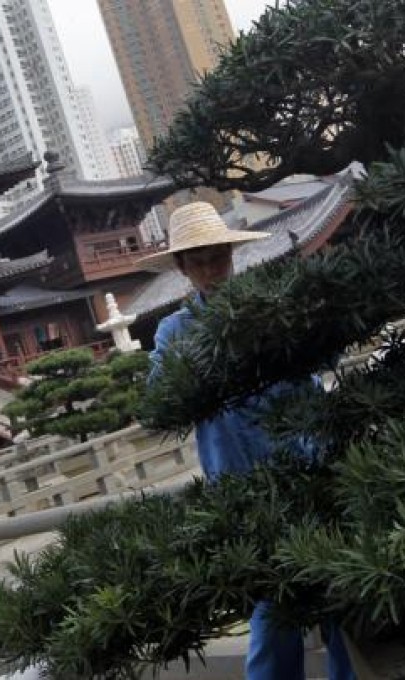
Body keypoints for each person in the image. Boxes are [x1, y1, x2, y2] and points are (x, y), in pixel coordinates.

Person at [137, 201, 355, 680]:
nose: (214, 269)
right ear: (182, 268)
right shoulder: (174, 333)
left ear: (232, 255)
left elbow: (328, 353)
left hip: (309, 467)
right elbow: (158, 403)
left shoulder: (272, 305)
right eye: (200, 261)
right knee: (273, 609)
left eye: (219, 257)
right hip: (242, 490)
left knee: (345, 592)